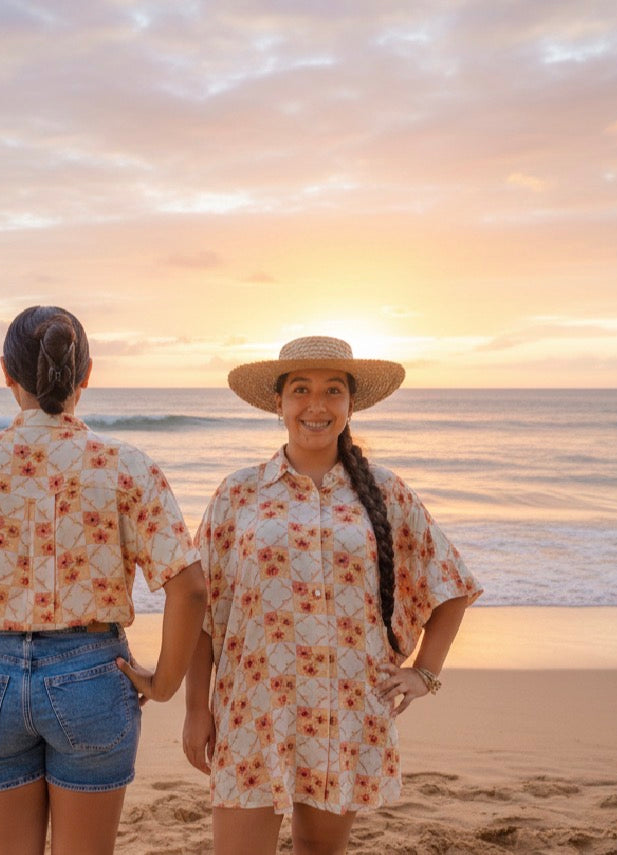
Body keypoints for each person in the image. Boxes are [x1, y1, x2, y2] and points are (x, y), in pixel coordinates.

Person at [0, 305, 206, 855]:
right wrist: (165, 682)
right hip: (92, 678)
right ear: (87, 373)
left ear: (6, 372)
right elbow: (188, 587)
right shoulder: (125, 465)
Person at [182, 336, 482, 855]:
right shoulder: (239, 493)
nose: (316, 405)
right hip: (254, 710)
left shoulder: (386, 491)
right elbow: (202, 612)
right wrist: (195, 710)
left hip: (344, 713)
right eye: (301, 390)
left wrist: (424, 673)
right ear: (279, 403)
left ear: (350, 405)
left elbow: (451, 584)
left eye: (332, 391)